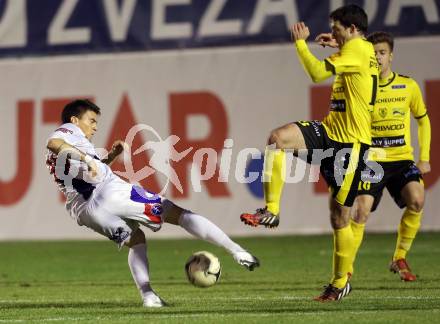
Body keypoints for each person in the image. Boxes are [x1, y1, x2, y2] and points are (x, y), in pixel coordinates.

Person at [45, 99, 260, 308]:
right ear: (74, 120)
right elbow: (54, 143)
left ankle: (149, 296)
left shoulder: (75, 146)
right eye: (91, 120)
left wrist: (109, 157)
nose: (95, 126)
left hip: (86, 211)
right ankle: (237, 251)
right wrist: (89, 160)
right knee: (177, 213)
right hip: (108, 192)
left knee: (136, 239)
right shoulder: (67, 131)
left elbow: (84, 172)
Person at [240, 4, 378, 301]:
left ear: (353, 29)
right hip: (330, 133)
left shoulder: (358, 50)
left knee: (340, 218)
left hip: (351, 146)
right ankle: (272, 210)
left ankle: (340, 282)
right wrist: (338, 44)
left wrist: (300, 44)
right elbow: (344, 59)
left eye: (339, 28)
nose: (335, 32)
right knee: (278, 139)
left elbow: (316, 73)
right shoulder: (357, 50)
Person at [349, 31, 431, 281]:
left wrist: (424, 157)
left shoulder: (408, 86)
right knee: (361, 210)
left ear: (391, 56)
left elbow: (423, 120)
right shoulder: (361, 88)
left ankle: (399, 256)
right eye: (373, 54)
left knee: (417, 199)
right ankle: (345, 267)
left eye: (382, 53)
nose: (378, 57)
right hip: (372, 160)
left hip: (401, 159)